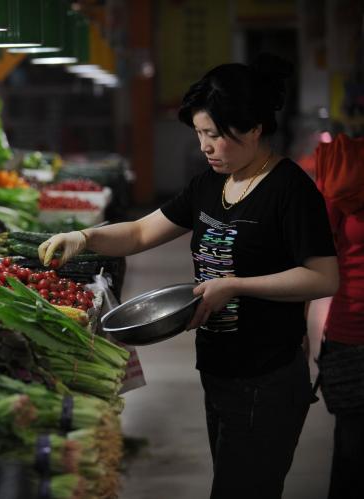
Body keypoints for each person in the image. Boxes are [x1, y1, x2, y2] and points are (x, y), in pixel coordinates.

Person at [38, 54, 339, 499]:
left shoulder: (290, 190)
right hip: (218, 369)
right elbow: (142, 231)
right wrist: (84, 237)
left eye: (215, 135)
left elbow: (323, 277)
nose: (205, 146)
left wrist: (236, 285)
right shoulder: (209, 185)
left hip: (267, 375)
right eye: (200, 134)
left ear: (254, 128)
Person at [314, 133, 364, 499]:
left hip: (350, 330)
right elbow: (312, 254)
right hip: (353, 334)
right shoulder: (345, 165)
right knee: (353, 450)